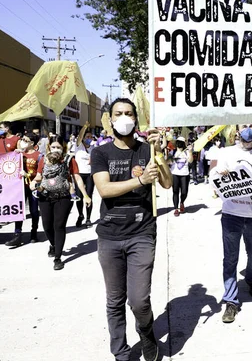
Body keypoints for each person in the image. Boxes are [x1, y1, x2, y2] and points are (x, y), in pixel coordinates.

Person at [91, 98, 171, 361]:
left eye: (128, 113)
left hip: (142, 232)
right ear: (110, 119)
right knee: (115, 300)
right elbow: (104, 190)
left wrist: (158, 154)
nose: (124, 118)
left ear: (136, 119)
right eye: (118, 113)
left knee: (138, 300)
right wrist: (138, 180)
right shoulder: (100, 153)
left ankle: (146, 332)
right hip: (110, 235)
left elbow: (167, 184)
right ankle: (121, 353)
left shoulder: (147, 150)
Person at [213, 123, 252, 323]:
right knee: (230, 259)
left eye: (251, 125)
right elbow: (213, 181)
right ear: (237, 130)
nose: (248, 129)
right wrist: (219, 174)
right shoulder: (225, 153)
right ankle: (231, 301)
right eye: (244, 125)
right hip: (231, 214)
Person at [30, 136, 90, 270]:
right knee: (47, 226)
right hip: (45, 196)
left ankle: (58, 258)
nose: (56, 150)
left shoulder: (69, 160)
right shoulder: (43, 160)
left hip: (64, 196)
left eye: (59, 147)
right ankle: (53, 244)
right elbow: (40, 175)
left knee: (59, 225)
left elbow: (77, 178)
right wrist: (34, 182)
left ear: (64, 147)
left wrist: (85, 195)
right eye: (53, 147)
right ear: (49, 147)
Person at [4, 133, 43, 246]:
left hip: (33, 187)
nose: (22, 141)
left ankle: (34, 232)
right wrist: (14, 155)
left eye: (26, 140)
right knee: (19, 210)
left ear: (32, 143)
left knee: (34, 211)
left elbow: (40, 173)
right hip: (20, 187)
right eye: (22, 139)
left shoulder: (38, 156)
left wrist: (28, 175)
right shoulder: (19, 154)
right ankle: (17, 234)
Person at [74, 130, 95, 227]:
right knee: (79, 197)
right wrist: (85, 127)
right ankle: (80, 215)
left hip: (89, 175)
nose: (89, 139)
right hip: (79, 174)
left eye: (91, 137)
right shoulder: (78, 146)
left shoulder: (93, 148)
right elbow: (79, 137)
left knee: (89, 196)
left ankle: (88, 218)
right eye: (87, 137)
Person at [169, 136, 193, 216]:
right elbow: (167, 161)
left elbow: (190, 161)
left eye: (181, 142)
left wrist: (190, 152)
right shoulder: (173, 151)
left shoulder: (186, 151)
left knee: (184, 192)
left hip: (185, 174)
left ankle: (182, 202)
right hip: (175, 174)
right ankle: (176, 208)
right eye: (178, 142)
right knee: (175, 191)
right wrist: (172, 158)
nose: (179, 144)